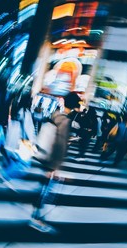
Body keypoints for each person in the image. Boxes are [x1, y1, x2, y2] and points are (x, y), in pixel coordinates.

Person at [30, 91, 82, 233]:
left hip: (45, 154)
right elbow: (60, 144)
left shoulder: (55, 114)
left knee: (43, 187)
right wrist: (55, 167)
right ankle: (36, 218)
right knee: (45, 190)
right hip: (52, 161)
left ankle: (36, 215)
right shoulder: (66, 121)